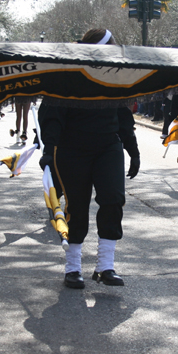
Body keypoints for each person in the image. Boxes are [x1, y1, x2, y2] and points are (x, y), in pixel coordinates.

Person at [38, 28, 140, 290]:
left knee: (113, 200)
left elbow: (123, 115)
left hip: (108, 147)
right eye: (112, 45)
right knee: (77, 207)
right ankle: (73, 268)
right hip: (72, 148)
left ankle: (105, 266)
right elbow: (52, 113)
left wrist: (132, 148)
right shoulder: (67, 73)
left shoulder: (116, 76)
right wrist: (49, 150)